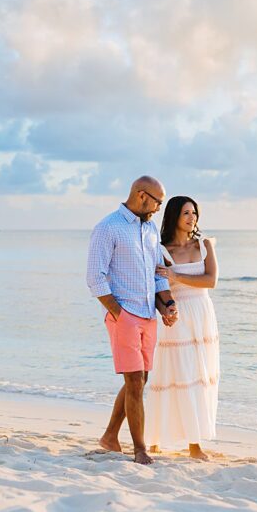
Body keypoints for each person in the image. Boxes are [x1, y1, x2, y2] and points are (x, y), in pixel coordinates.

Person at [86, 176, 178, 465]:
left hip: (149, 315)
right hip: (125, 315)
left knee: (140, 380)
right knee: (135, 380)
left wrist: (168, 305)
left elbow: (157, 273)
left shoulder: (150, 229)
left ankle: (110, 437)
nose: (158, 209)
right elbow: (94, 278)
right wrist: (118, 312)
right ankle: (140, 449)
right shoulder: (107, 227)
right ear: (141, 195)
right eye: (157, 202)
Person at [145, 196, 221, 460]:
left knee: (200, 377)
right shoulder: (162, 250)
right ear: (174, 216)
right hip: (177, 317)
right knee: (174, 376)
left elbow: (211, 281)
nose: (192, 218)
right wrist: (165, 309)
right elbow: (158, 287)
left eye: (195, 213)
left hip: (202, 314)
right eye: (186, 213)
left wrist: (176, 276)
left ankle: (194, 444)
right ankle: (156, 439)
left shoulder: (205, 245)